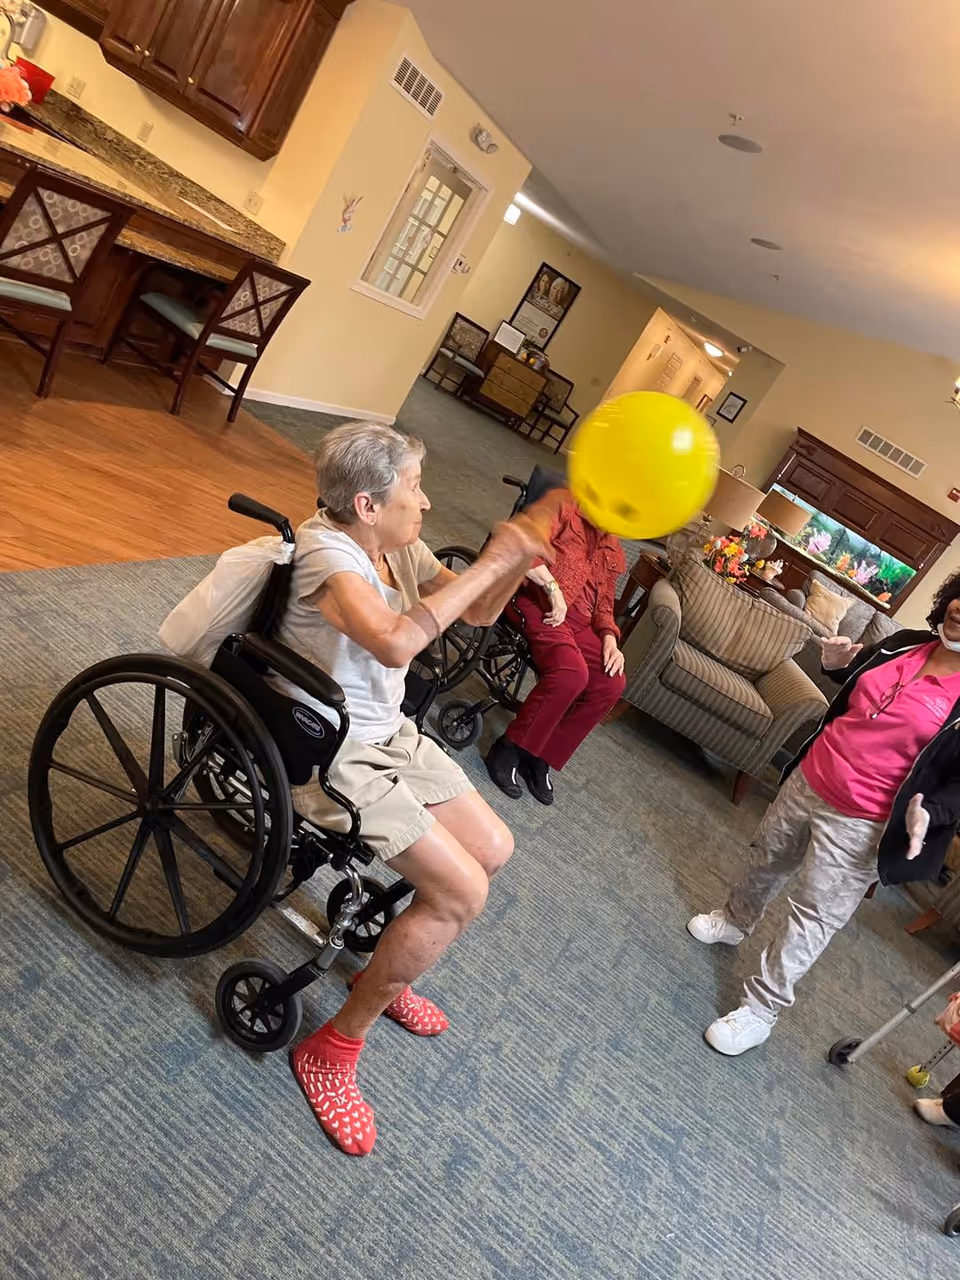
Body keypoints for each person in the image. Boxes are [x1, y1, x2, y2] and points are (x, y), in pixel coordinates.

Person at [278, 421, 557, 1153]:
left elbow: (477, 613)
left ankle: (384, 972)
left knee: (493, 850)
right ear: (367, 505)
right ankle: (333, 1048)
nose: (427, 502)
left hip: (387, 733)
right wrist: (492, 558)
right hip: (331, 749)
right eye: (415, 488)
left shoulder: (395, 542)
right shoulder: (329, 554)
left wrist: (511, 567)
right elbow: (397, 641)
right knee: (462, 893)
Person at [687, 570, 960, 1056]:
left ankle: (760, 1011)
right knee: (766, 859)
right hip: (811, 777)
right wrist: (835, 667)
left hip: (864, 821)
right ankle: (734, 920)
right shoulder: (906, 643)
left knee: (813, 915)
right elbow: (859, 689)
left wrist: (932, 813)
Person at [484, 490, 626, 805]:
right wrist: (553, 589)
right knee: (572, 674)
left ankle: (541, 754)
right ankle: (509, 747)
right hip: (536, 603)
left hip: (580, 624)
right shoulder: (563, 504)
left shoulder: (611, 542)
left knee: (611, 682)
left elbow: (604, 604)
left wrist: (610, 639)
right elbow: (519, 543)